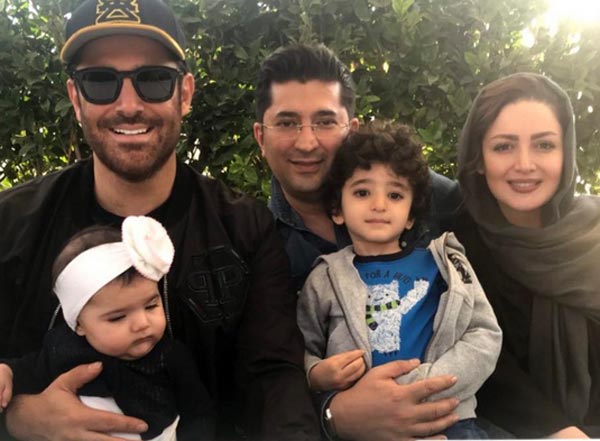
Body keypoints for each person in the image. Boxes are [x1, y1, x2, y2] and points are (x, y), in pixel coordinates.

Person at [0, 0, 319, 440]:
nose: (129, 105)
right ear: (76, 98)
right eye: (100, 81)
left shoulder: (243, 229)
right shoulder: (11, 226)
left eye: (153, 79)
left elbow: (274, 379)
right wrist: (16, 419)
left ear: (184, 94)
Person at [253, 44, 464, 440]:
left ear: (349, 130)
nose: (307, 142)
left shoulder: (433, 199)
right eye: (287, 122)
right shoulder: (256, 245)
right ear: (260, 137)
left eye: (324, 121)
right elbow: (266, 374)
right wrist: (333, 413)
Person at [297, 120, 501, 440]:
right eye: (362, 192)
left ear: (410, 214)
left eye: (395, 194)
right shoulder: (324, 277)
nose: (379, 205)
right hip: (366, 431)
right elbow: (299, 346)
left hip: (450, 421)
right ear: (337, 208)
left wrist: (425, 385)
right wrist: (315, 373)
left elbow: (484, 334)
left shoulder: (446, 263)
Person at [454, 72, 600, 438]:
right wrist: (559, 431)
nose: (524, 164)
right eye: (503, 147)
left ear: (565, 153)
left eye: (544, 145)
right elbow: (484, 367)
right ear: (479, 158)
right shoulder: (454, 249)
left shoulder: (594, 231)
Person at [0, 216, 214, 440]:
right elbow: (28, 370)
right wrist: (7, 371)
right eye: (118, 317)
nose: (142, 323)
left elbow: (198, 413)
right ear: (79, 324)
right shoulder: (61, 348)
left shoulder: (170, 356)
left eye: (151, 306)